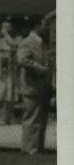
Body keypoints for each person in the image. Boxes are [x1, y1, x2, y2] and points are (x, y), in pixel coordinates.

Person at [16, 18, 53, 154]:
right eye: (45, 24)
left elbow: (47, 62)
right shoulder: (27, 43)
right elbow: (22, 60)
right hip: (31, 86)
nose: (47, 28)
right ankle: (29, 148)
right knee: (31, 118)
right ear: (36, 26)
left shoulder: (42, 43)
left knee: (40, 119)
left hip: (42, 86)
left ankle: (37, 147)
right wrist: (41, 69)